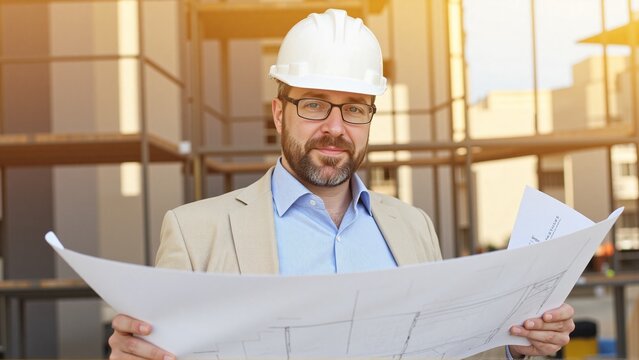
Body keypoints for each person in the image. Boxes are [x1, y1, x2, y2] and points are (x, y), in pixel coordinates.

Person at [108, 8, 574, 360]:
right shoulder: (196, 234)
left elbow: (445, 347)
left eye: (354, 107)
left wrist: (524, 344)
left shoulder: (413, 226)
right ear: (278, 113)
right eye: (314, 104)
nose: (335, 127)